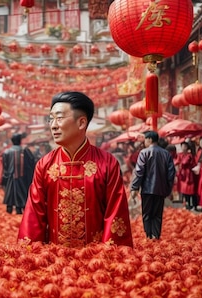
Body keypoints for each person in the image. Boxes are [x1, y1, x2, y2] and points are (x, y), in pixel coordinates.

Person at [18, 91, 133, 247]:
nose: (53, 125)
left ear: (81, 123)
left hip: (96, 262)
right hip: (55, 262)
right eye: (51, 119)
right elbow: (34, 217)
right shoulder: (44, 165)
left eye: (59, 118)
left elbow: (116, 215)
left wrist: (108, 260)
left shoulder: (107, 163)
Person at [130, 131, 175, 240]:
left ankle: (148, 235)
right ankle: (156, 235)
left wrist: (134, 187)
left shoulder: (144, 153)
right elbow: (171, 173)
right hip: (160, 190)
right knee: (157, 214)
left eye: (145, 139)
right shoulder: (166, 153)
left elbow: (139, 172)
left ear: (149, 139)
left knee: (147, 214)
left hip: (147, 189)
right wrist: (168, 189)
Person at [2, 133, 36, 214]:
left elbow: (5, 166)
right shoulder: (25, 151)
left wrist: (6, 175)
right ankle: (19, 209)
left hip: (10, 177)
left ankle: (9, 208)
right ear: (20, 141)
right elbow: (32, 163)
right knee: (22, 193)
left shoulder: (6, 152)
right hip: (22, 178)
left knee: (10, 193)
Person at [177, 141, 197, 210]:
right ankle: (187, 204)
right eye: (182, 146)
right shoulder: (181, 154)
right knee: (184, 190)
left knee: (190, 190)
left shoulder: (189, 155)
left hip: (188, 174)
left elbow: (184, 162)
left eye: (185, 146)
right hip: (183, 174)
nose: (183, 148)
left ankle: (193, 204)